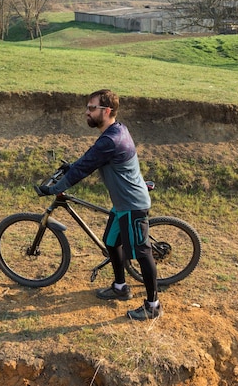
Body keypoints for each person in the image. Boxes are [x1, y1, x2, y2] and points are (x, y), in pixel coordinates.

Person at [37, 89, 162, 321]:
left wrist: (53, 189)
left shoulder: (112, 139)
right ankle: (120, 287)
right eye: (87, 107)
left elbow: (85, 168)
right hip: (122, 203)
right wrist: (70, 166)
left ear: (106, 111)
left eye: (91, 108)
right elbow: (90, 158)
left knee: (142, 253)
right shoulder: (115, 131)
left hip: (132, 204)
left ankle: (153, 305)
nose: (87, 112)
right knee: (112, 242)